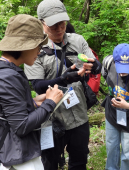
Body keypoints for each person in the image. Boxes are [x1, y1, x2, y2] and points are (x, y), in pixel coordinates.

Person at [24, 0, 102, 169]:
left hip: (79, 115)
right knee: (50, 163)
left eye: (62, 23)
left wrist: (94, 65)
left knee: (80, 161)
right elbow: (38, 86)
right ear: (42, 23)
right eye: (54, 25)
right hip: (50, 120)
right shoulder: (34, 48)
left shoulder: (77, 40)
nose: (59, 29)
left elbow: (96, 65)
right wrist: (65, 79)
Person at [0, 14, 63, 170]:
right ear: (25, 46)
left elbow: (9, 111)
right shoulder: (8, 77)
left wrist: (33, 102)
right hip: (17, 155)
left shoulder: (8, 72)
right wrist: (50, 103)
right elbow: (21, 126)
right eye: (38, 45)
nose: (39, 50)